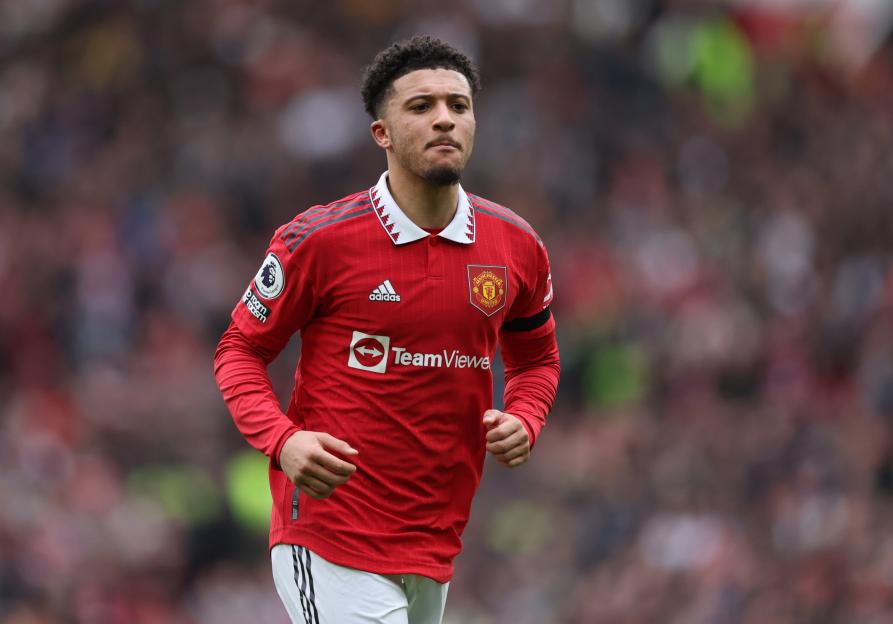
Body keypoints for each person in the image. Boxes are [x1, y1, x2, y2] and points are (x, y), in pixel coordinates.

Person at [213, 35, 560, 624]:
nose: (445, 119)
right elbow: (239, 349)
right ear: (382, 134)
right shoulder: (318, 241)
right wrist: (283, 440)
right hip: (330, 533)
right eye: (421, 107)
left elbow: (536, 360)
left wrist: (525, 417)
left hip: (435, 540)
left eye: (459, 104)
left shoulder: (517, 246)